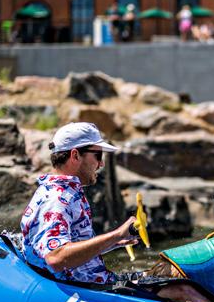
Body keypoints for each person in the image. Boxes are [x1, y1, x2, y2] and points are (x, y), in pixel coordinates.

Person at [20, 122, 139, 285]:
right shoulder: (57, 199)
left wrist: (113, 242)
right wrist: (116, 234)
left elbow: (71, 244)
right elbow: (55, 258)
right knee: (174, 290)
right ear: (75, 156)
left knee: (169, 274)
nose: (101, 163)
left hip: (95, 282)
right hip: (86, 290)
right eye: (98, 155)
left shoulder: (65, 191)